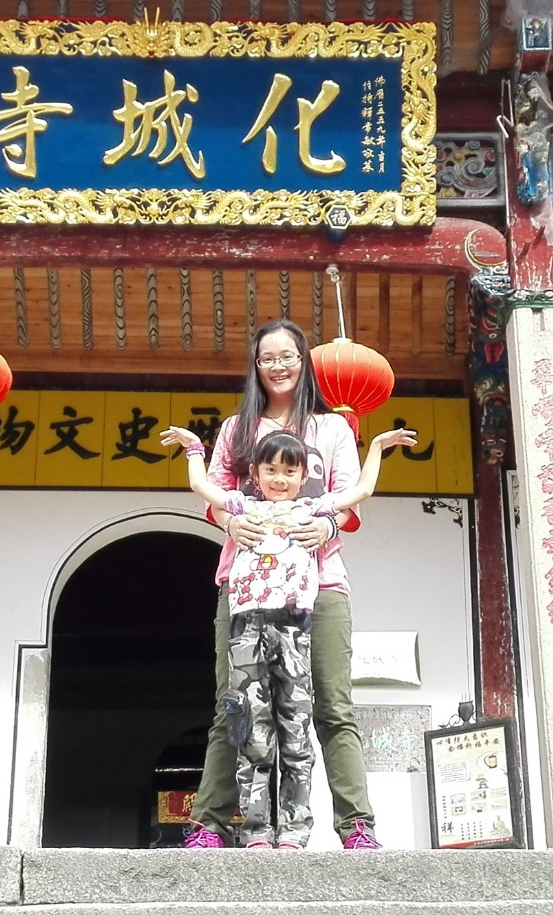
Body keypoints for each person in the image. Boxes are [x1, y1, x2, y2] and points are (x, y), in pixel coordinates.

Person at [161, 319, 386, 851]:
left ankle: (356, 826)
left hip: (322, 583)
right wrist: (230, 523)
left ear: (304, 361)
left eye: (288, 356)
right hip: (244, 588)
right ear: (255, 366)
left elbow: (351, 504)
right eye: (268, 358)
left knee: (332, 706)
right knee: (233, 706)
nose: (278, 366)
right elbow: (214, 501)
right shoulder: (237, 431)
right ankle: (211, 824)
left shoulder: (332, 430)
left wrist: (327, 525)